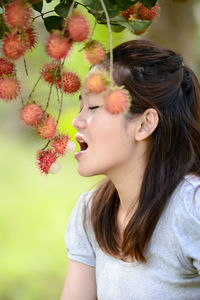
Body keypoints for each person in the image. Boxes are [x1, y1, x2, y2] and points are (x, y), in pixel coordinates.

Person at [60, 39, 200, 300]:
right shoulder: (90, 210)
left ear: (144, 124)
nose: (77, 121)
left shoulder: (192, 208)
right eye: (81, 106)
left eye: (93, 107)